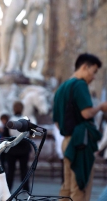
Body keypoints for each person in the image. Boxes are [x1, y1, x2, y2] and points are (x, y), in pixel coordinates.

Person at [53, 53, 107, 201]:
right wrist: (101, 107)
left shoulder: (61, 88)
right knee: (80, 187)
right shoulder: (80, 84)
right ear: (84, 67)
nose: (94, 76)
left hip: (67, 141)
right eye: (94, 71)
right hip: (81, 143)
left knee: (67, 187)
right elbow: (87, 113)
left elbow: (57, 122)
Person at [5, 101, 31, 192]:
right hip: (24, 146)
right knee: (24, 170)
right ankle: (25, 189)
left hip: (12, 147)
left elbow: (6, 134)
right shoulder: (26, 120)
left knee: (10, 171)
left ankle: (8, 190)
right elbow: (31, 133)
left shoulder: (10, 120)